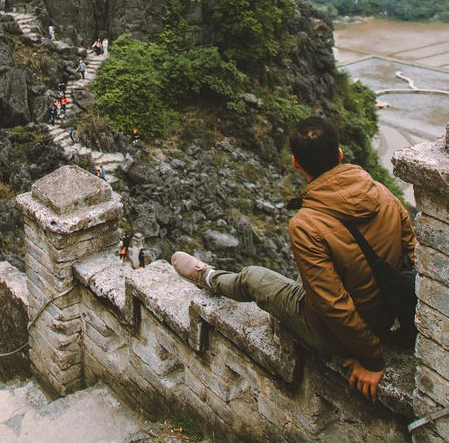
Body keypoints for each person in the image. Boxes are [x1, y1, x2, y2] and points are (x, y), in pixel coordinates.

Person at [172, 116, 416, 403]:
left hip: (341, 333)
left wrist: (373, 358)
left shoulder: (306, 224)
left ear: (295, 163)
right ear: (339, 154)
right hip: (387, 313)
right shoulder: (383, 192)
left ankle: (208, 277)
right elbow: (412, 256)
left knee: (254, 277)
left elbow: (333, 305)